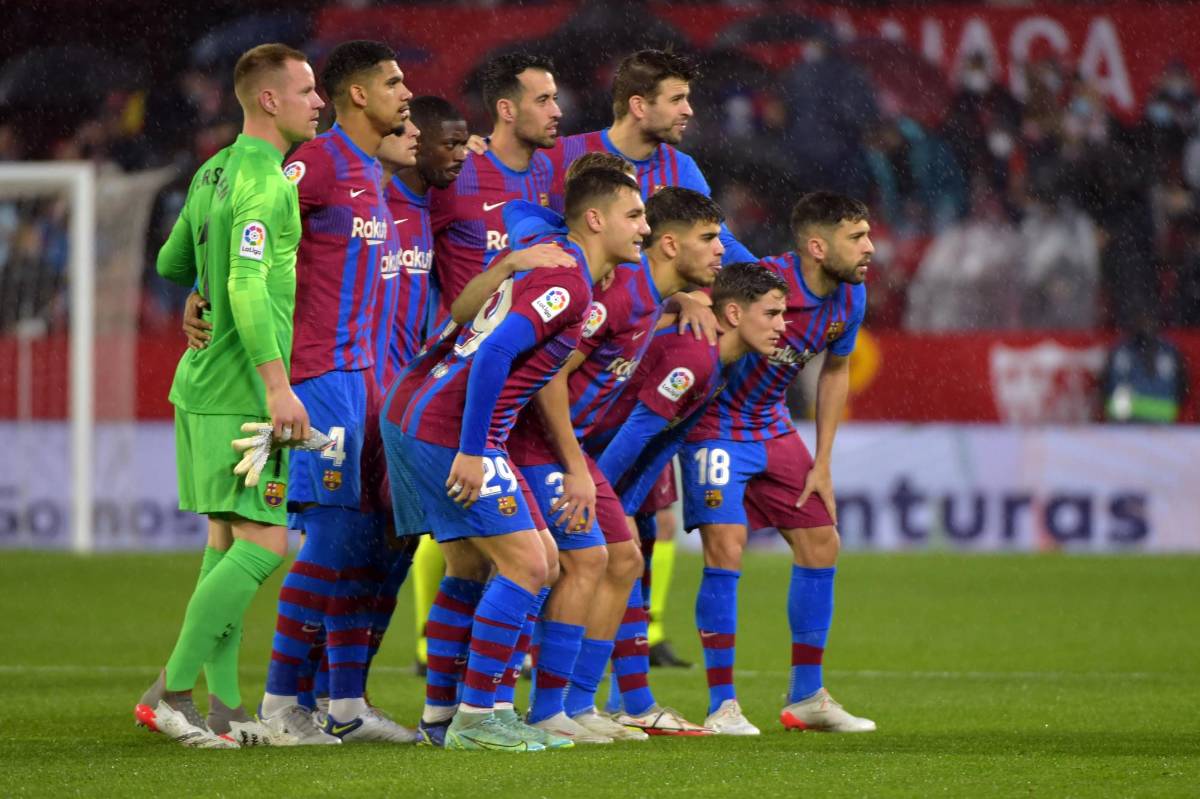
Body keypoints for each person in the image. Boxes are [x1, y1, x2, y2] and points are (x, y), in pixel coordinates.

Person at [386, 167, 648, 751]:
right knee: (529, 565)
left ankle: (452, 714)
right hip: (450, 427)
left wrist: (527, 248)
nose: (644, 229)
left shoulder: (549, 252)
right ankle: (477, 718)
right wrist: (473, 450)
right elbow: (495, 355)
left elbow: (517, 213)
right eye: (633, 215)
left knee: (531, 561)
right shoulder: (570, 283)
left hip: (430, 412)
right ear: (595, 220)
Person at [135, 43, 323, 749]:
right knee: (267, 543)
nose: (318, 102)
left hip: (199, 384)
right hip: (241, 392)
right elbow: (244, 282)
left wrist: (196, 290)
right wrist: (278, 387)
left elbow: (171, 260)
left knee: (227, 543)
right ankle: (171, 691)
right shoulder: (269, 182)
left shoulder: (213, 169)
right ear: (270, 100)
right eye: (307, 90)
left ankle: (227, 708)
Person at [505, 184, 724, 741]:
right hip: (535, 442)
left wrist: (679, 301)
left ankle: (579, 705)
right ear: (671, 245)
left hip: (567, 448)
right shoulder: (621, 293)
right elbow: (550, 375)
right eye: (708, 238)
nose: (721, 250)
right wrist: (575, 465)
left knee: (623, 561)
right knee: (580, 562)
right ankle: (541, 708)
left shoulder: (650, 297)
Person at [256, 40, 414, 745]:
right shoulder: (316, 163)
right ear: (359, 94)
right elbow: (247, 233)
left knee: (358, 539)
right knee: (328, 537)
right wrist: (203, 289)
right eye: (394, 83)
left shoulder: (369, 173)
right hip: (318, 377)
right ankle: (279, 705)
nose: (405, 94)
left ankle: (343, 705)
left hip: (362, 382)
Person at [679, 191, 876, 734]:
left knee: (822, 541)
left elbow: (836, 369)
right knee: (726, 545)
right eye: (857, 238)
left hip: (772, 425)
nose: (870, 248)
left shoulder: (851, 296)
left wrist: (823, 460)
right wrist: (686, 300)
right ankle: (723, 705)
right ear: (818, 247)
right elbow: (687, 294)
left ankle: (807, 696)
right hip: (715, 423)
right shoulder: (760, 280)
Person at [408, 54, 566, 675]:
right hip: (463, 375)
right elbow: (394, 200)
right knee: (463, 544)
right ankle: (456, 675)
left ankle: (473, 683)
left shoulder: (552, 170)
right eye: (543, 100)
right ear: (505, 109)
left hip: (527, 379)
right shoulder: (458, 172)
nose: (556, 111)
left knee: (506, 549)